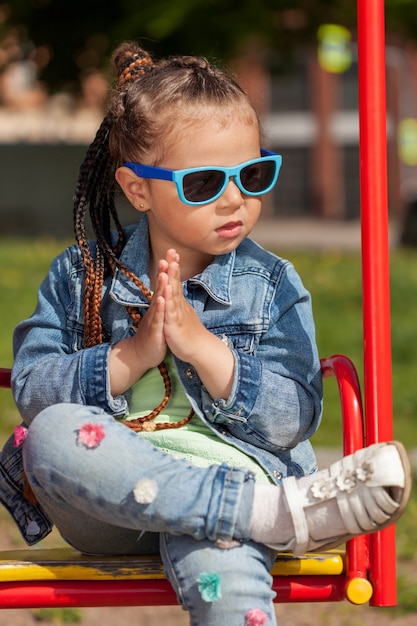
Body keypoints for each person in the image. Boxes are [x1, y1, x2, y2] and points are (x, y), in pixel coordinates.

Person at [3, 42, 410, 626]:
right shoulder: (82, 276)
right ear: (137, 188)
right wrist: (133, 354)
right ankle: (272, 514)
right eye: (202, 184)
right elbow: (35, 390)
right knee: (50, 434)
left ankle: (244, 511)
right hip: (111, 507)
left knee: (224, 570)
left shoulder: (271, 285)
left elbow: (294, 416)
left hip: (232, 479)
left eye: (252, 174)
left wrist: (204, 350)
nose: (234, 198)